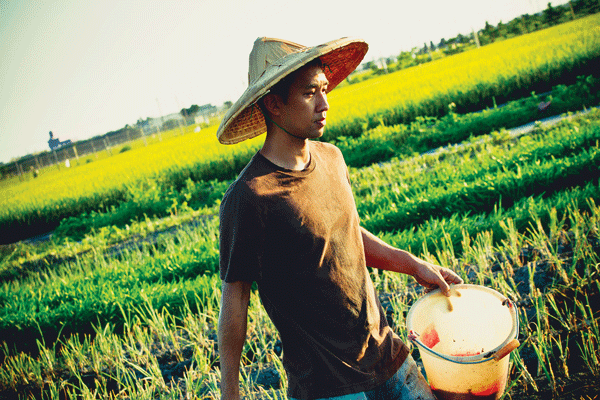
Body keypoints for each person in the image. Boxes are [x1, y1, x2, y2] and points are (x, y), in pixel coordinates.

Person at [217, 37, 463, 400]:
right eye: (309, 93)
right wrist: (230, 392)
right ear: (274, 104)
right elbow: (235, 299)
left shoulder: (332, 158)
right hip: (328, 385)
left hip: (386, 357)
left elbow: (346, 234)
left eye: (324, 89)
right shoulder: (251, 197)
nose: (324, 103)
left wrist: (414, 265)